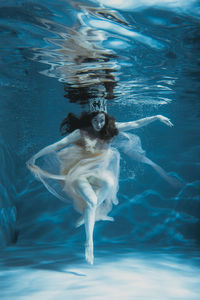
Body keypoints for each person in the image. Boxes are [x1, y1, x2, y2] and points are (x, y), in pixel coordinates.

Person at [27, 111, 173, 264]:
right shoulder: (81, 132)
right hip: (79, 173)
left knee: (109, 183)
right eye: (95, 120)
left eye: (101, 120)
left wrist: (157, 117)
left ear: (106, 120)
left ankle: (90, 213)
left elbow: (135, 123)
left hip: (96, 174)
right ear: (90, 121)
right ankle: (89, 243)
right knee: (91, 201)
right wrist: (35, 156)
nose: (98, 124)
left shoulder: (111, 128)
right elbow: (58, 145)